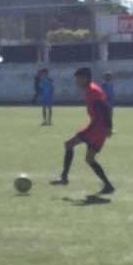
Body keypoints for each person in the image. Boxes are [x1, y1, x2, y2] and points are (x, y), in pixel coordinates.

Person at [52, 67, 114, 195]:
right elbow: (106, 108)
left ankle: (64, 177)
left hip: (96, 128)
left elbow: (105, 109)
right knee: (90, 159)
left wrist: (108, 127)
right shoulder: (91, 89)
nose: (76, 81)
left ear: (85, 78)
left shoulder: (92, 91)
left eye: (78, 78)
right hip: (99, 128)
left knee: (68, 144)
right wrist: (108, 127)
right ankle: (108, 186)